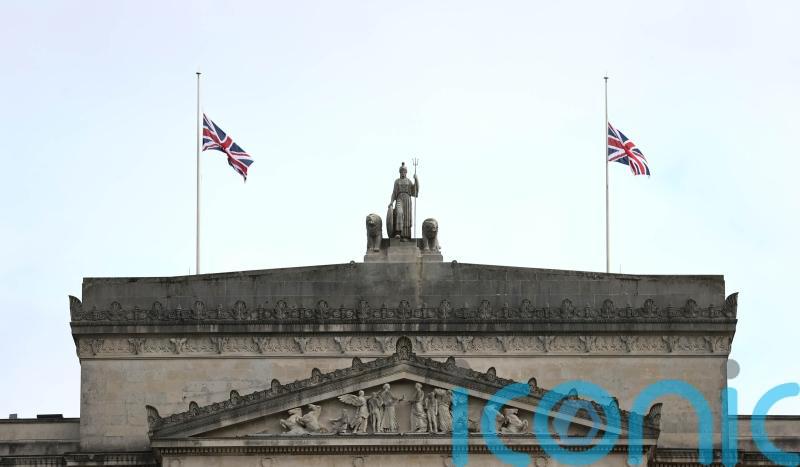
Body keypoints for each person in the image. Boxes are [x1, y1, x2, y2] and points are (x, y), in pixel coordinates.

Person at [388, 162, 418, 240]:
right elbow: (394, 192)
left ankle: (405, 236)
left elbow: (414, 190)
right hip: (399, 198)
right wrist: (391, 202)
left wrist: (416, 179)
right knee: (399, 212)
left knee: (407, 217)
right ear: (400, 172)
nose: (403, 173)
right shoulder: (397, 181)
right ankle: (398, 232)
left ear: (406, 172)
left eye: (404, 171)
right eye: (401, 171)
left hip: (407, 199)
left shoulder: (409, 181)